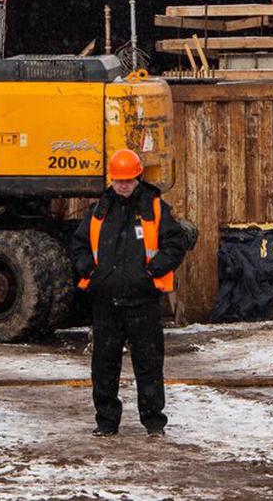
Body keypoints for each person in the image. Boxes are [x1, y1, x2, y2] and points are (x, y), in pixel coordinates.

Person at [73, 149, 189, 438]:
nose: (123, 186)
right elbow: (79, 245)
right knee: (104, 366)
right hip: (106, 303)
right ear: (112, 180)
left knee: (148, 365)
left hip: (143, 302)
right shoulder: (99, 210)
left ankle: (153, 423)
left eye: (128, 180)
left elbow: (175, 244)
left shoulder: (155, 207)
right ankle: (106, 422)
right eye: (118, 181)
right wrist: (91, 273)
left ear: (138, 177)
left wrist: (150, 274)